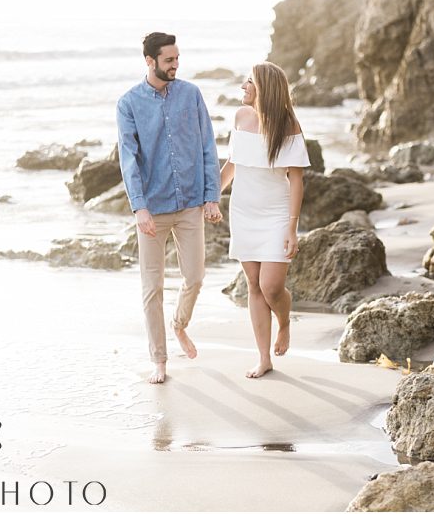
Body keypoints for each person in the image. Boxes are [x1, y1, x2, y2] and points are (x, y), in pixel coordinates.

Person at [116, 32, 223, 384]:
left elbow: (208, 145)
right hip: (152, 210)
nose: (176, 65)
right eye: (169, 60)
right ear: (150, 61)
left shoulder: (191, 95)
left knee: (195, 277)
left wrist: (212, 195)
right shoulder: (129, 103)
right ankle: (159, 360)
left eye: (178, 59)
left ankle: (180, 325)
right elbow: (128, 159)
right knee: (152, 288)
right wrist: (139, 207)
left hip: (191, 202)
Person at [219, 61, 310, 378]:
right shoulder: (241, 117)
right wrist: (211, 194)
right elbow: (233, 163)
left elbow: (296, 180)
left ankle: (284, 322)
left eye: (248, 82)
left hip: (276, 213)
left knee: (272, 287)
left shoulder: (289, 125)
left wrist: (292, 228)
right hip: (243, 210)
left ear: (263, 88)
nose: (243, 88)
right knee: (253, 286)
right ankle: (263, 358)